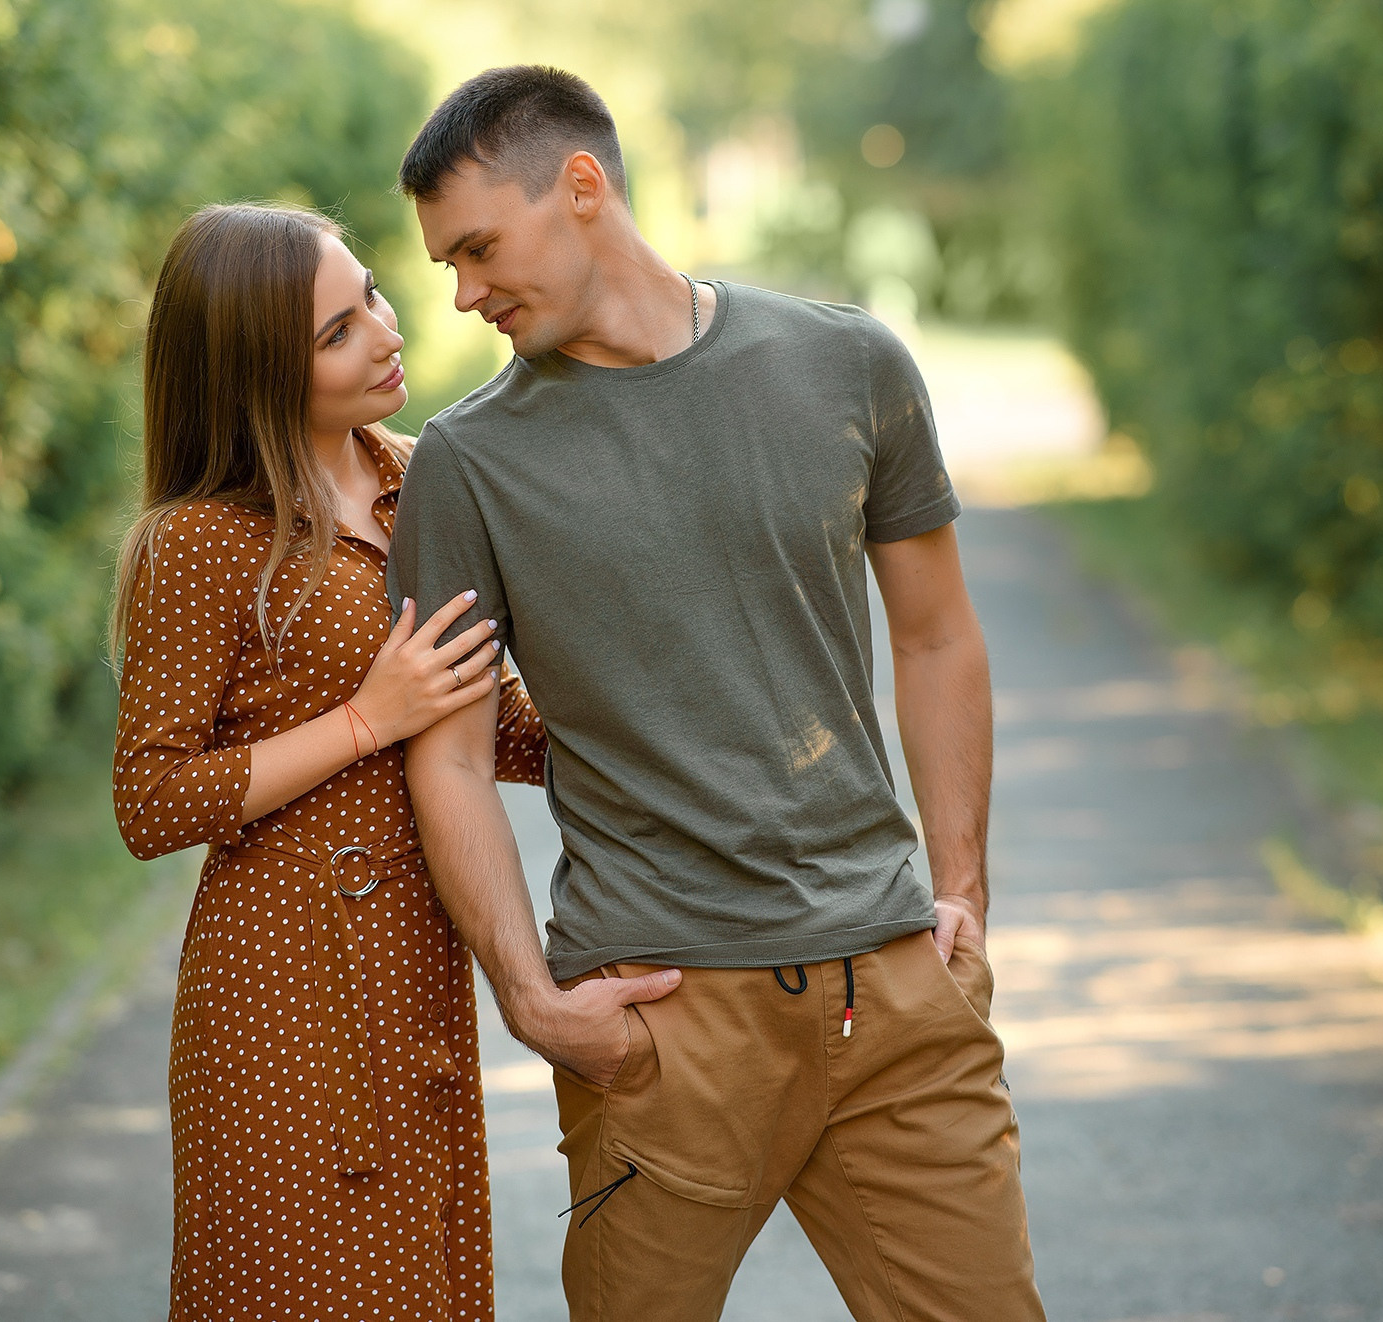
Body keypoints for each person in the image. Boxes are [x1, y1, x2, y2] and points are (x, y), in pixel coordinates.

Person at [387, 67, 1045, 1320]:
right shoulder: (468, 463)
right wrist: (532, 999)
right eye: (447, 265)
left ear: (583, 186)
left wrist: (961, 888)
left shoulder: (847, 362)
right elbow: (452, 755)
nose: (463, 293)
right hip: (661, 1020)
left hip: (892, 990)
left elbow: (937, 636)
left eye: (477, 248)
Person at [110, 201, 547, 1320]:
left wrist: (659, 721)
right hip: (281, 993)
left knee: (427, 1285)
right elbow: (149, 800)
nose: (388, 334)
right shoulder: (200, 541)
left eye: (373, 298)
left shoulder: (424, 479)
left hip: (418, 964)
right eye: (339, 332)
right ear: (258, 374)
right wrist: (364, 721)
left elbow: (493, 721)